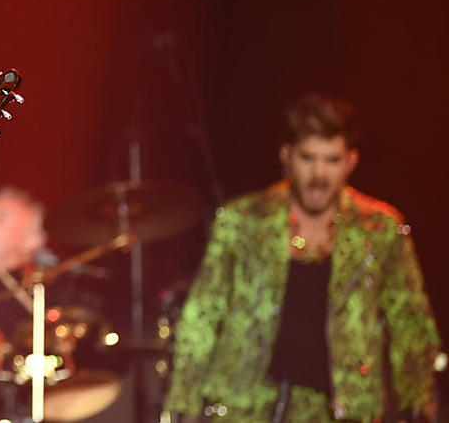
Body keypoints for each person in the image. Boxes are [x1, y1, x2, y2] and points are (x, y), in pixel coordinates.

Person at [164, 95, 440, 422]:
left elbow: (409, 320)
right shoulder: (243, 221)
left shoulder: (380, 230)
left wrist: (418, 400)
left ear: (351, 161)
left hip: (343, 409)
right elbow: (203, 313)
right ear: (287, 156)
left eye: (332, 160)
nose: (319, 174)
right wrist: (181, 401)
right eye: (308, 158)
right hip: (246, 406)